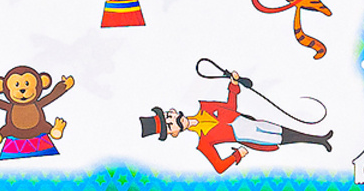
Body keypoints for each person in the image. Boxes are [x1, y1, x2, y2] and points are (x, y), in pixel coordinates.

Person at [140, 71, 333, 174]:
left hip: (248, 121)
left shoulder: (205, 106)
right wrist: (237, 155)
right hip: (247, 136)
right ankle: (319, 141)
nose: (174, 119)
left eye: (169, 116)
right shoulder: (203, 143)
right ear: (174, 133)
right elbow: (219, 167)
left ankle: (320, 138)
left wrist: (233, 85)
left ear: (172, 111)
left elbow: (230, 107)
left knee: (282, 130)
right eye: (171, 125)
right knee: (281, 139)